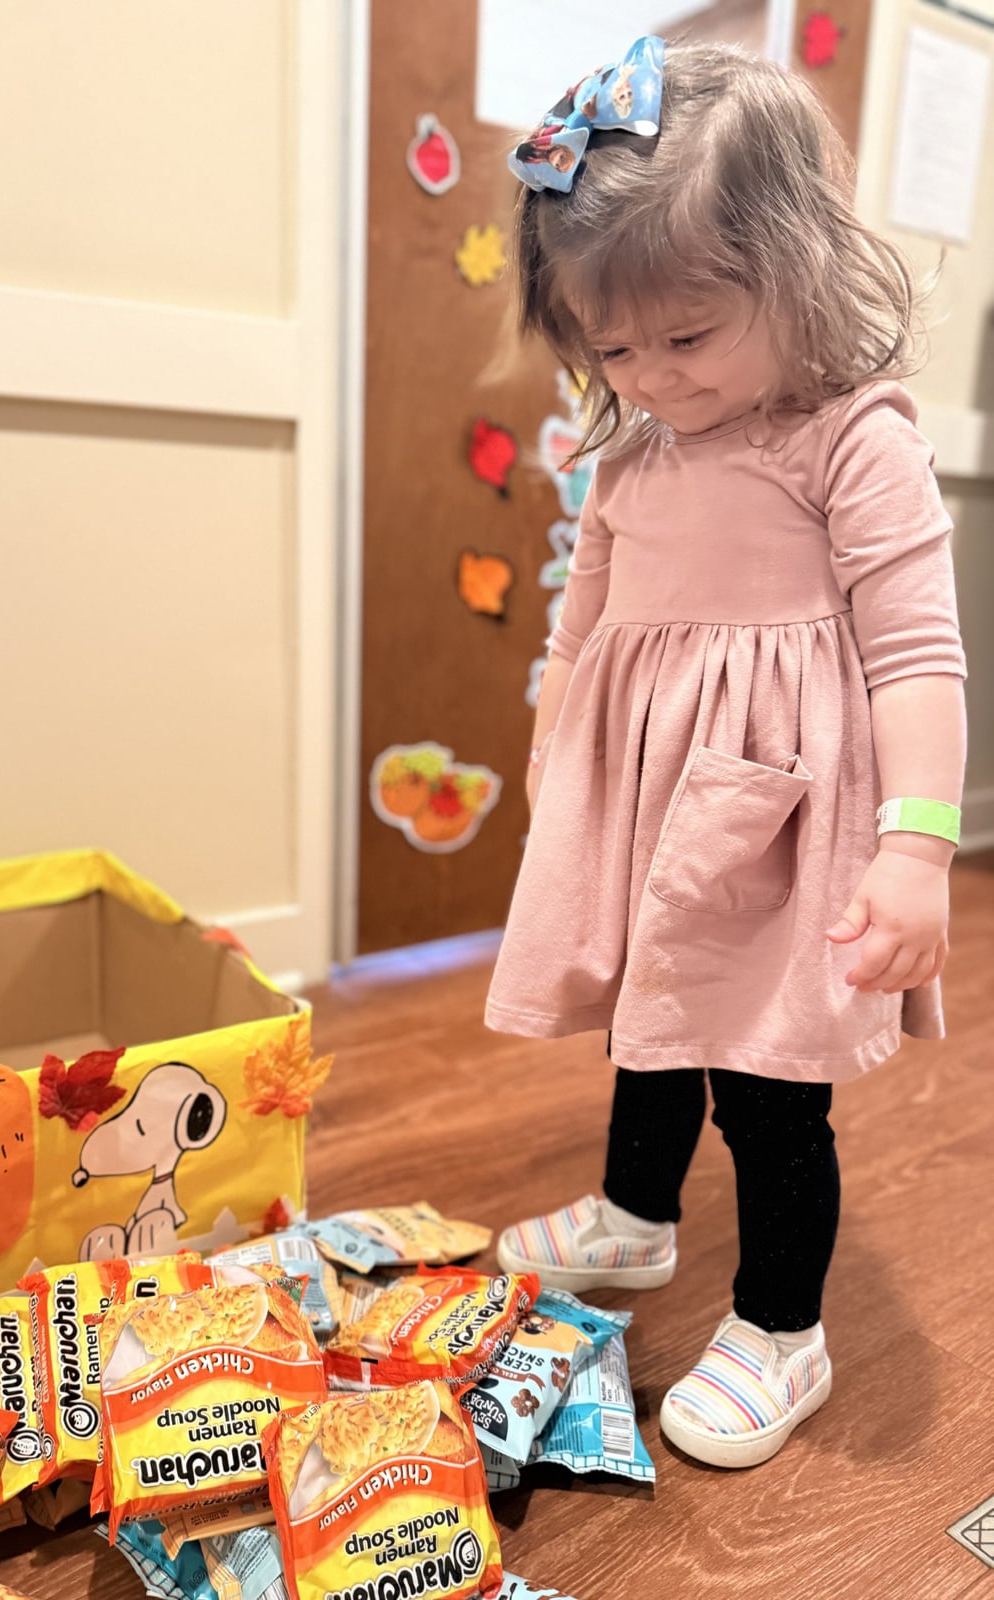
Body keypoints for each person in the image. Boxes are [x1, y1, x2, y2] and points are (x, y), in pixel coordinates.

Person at [487, 39, 967, 1469]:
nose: (652, 375)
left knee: (764, 1081)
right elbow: (582, 628)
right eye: (614, 348)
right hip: (645, 802)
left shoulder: (849, 439)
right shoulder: (631, 457)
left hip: (781, 821)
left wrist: (921, 844)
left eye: (687, 336)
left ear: (797, 272)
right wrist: (552, 746)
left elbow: (916, 652)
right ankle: (636, 1221)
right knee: (651, 1026)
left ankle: (781, 1324)